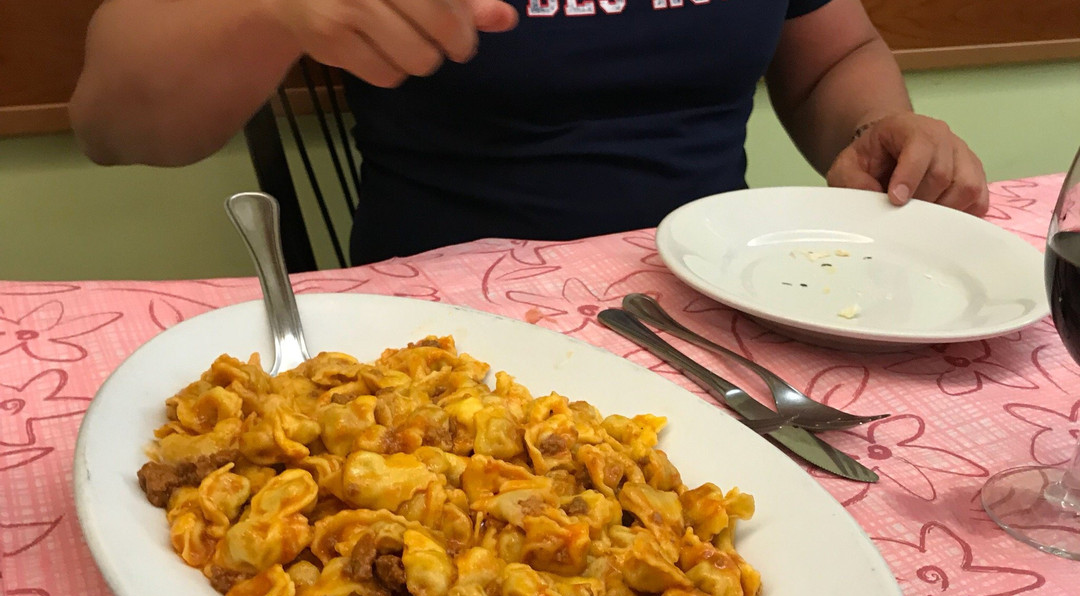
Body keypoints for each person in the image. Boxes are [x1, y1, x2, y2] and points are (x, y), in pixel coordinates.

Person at [69, 0, 989, 264]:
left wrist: (879, 125)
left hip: (717, 310)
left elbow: (835, 55)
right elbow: (113, 123)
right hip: (444, 332)